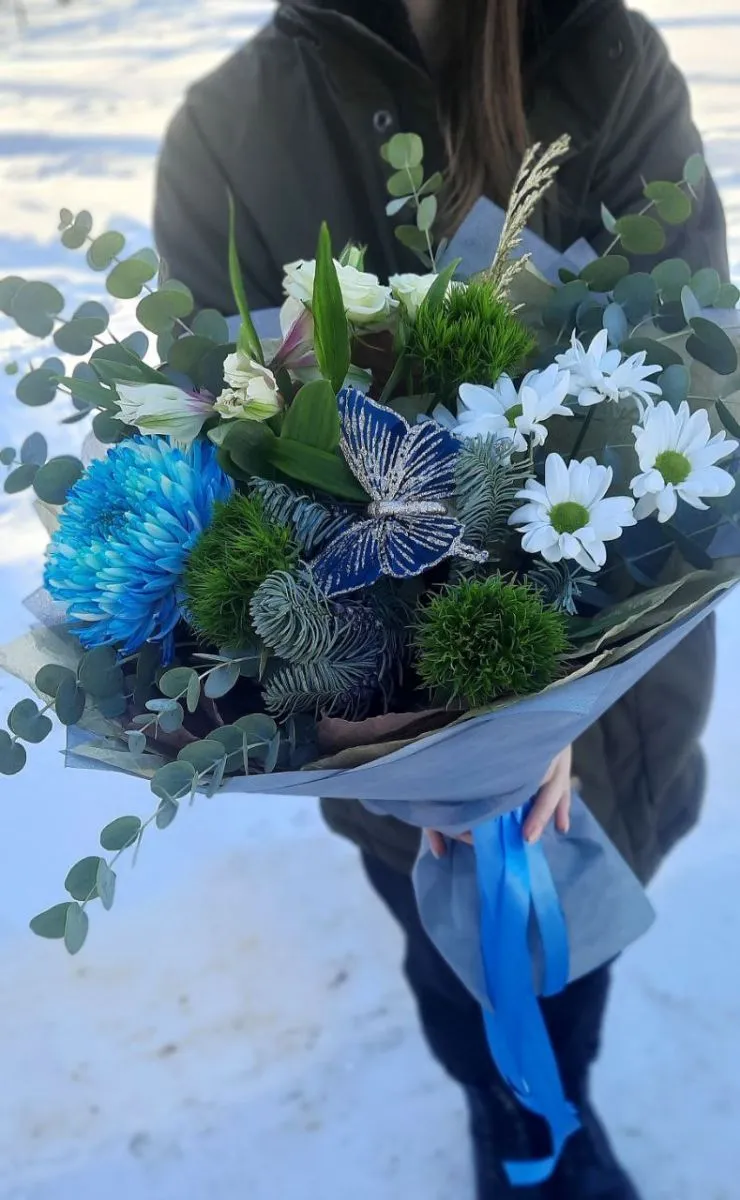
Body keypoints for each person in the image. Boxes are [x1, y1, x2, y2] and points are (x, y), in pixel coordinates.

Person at [153, 2, 728, 1196]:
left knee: (575, 952)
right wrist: (374, 717)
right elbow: (212, 468)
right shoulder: (227, 125)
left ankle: (555, 1121)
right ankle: (508, 1127)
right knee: (452, 956)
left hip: (611, 699)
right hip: (381, 725)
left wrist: (548, 699)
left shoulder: (600, 57)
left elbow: (686, 366)